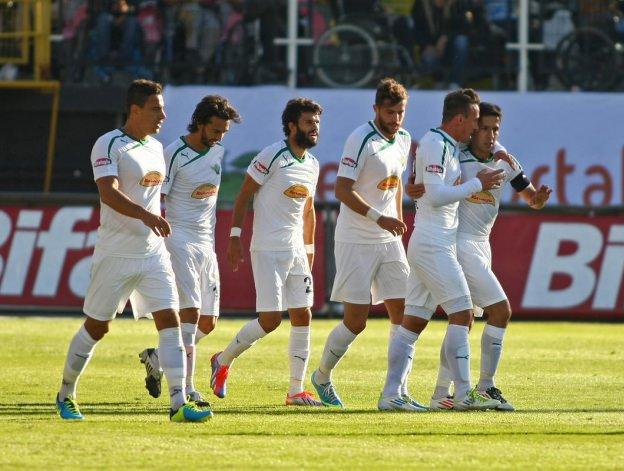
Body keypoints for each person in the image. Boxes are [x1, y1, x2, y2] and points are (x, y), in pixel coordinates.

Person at [55, 79, 211, 422]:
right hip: (116, 253)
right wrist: (146, 216)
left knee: (170, 320)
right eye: (155, 109)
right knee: (98, 327)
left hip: (153, 253)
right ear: (135, 110)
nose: (163, 116)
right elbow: (108, 192)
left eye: (163, 109)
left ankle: (178, 403)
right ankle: (66, 393)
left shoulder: (156, 148)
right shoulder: (109, 143)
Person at [382, 88, 504, 411]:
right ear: (460, 119)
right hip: (433, 243)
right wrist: (479, 184)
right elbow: (435, 196)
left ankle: (391, 394)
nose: (477, 127)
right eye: (474, 120)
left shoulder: (447, 144)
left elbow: (427, 187)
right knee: (462, 314)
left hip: (435, 241)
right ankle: (463, 394)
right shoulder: (436, 143)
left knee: (413, 322)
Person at [429, 101, 552, 411]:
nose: (490, 134)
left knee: (463, 321)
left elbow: (531, 198)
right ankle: (485, 387)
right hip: (459, 242)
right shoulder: (457, 155)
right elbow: (431, 182)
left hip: (482, 245)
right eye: (484, 128)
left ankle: (441, 392)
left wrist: (538, 199)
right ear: (473, 128)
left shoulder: (505, 160)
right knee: (500, 311)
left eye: (495, 129)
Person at [309, 78, 422, 411]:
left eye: (400, 112)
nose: (396, 119)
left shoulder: (404, 139)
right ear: (376, 109)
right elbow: (341, 190)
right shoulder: (361, 139)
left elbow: (395, 186)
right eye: (390, 112)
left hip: (388, 239)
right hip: (356, 239)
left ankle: (396, 391)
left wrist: (396, 223)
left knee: (406, 314)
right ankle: (322, 376)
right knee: (356, 322)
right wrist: (379, 217)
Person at [210, 98, 323, 406]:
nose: (315, 128)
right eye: (309, 122)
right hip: (267, 249)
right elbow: (244, 194)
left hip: (296, 251)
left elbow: (309, 210)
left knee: (303, 314)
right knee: (270, 320)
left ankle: (295, 391)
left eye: (317, 123)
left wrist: (309, 249)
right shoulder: (272, 155)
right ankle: (222, 359)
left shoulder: (312, 164)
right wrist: (235, 237)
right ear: (292, 126)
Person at [138, 95, 241, 408]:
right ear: (200, 123)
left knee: (208, 322)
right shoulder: (174, 153)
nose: (219, 137)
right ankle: (188, 387)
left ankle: (158, 357)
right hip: (178, 239)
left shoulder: (217, 152)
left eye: (224, 132)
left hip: (206, 244)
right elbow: (157, 198)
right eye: (216, 130)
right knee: (191, 314)